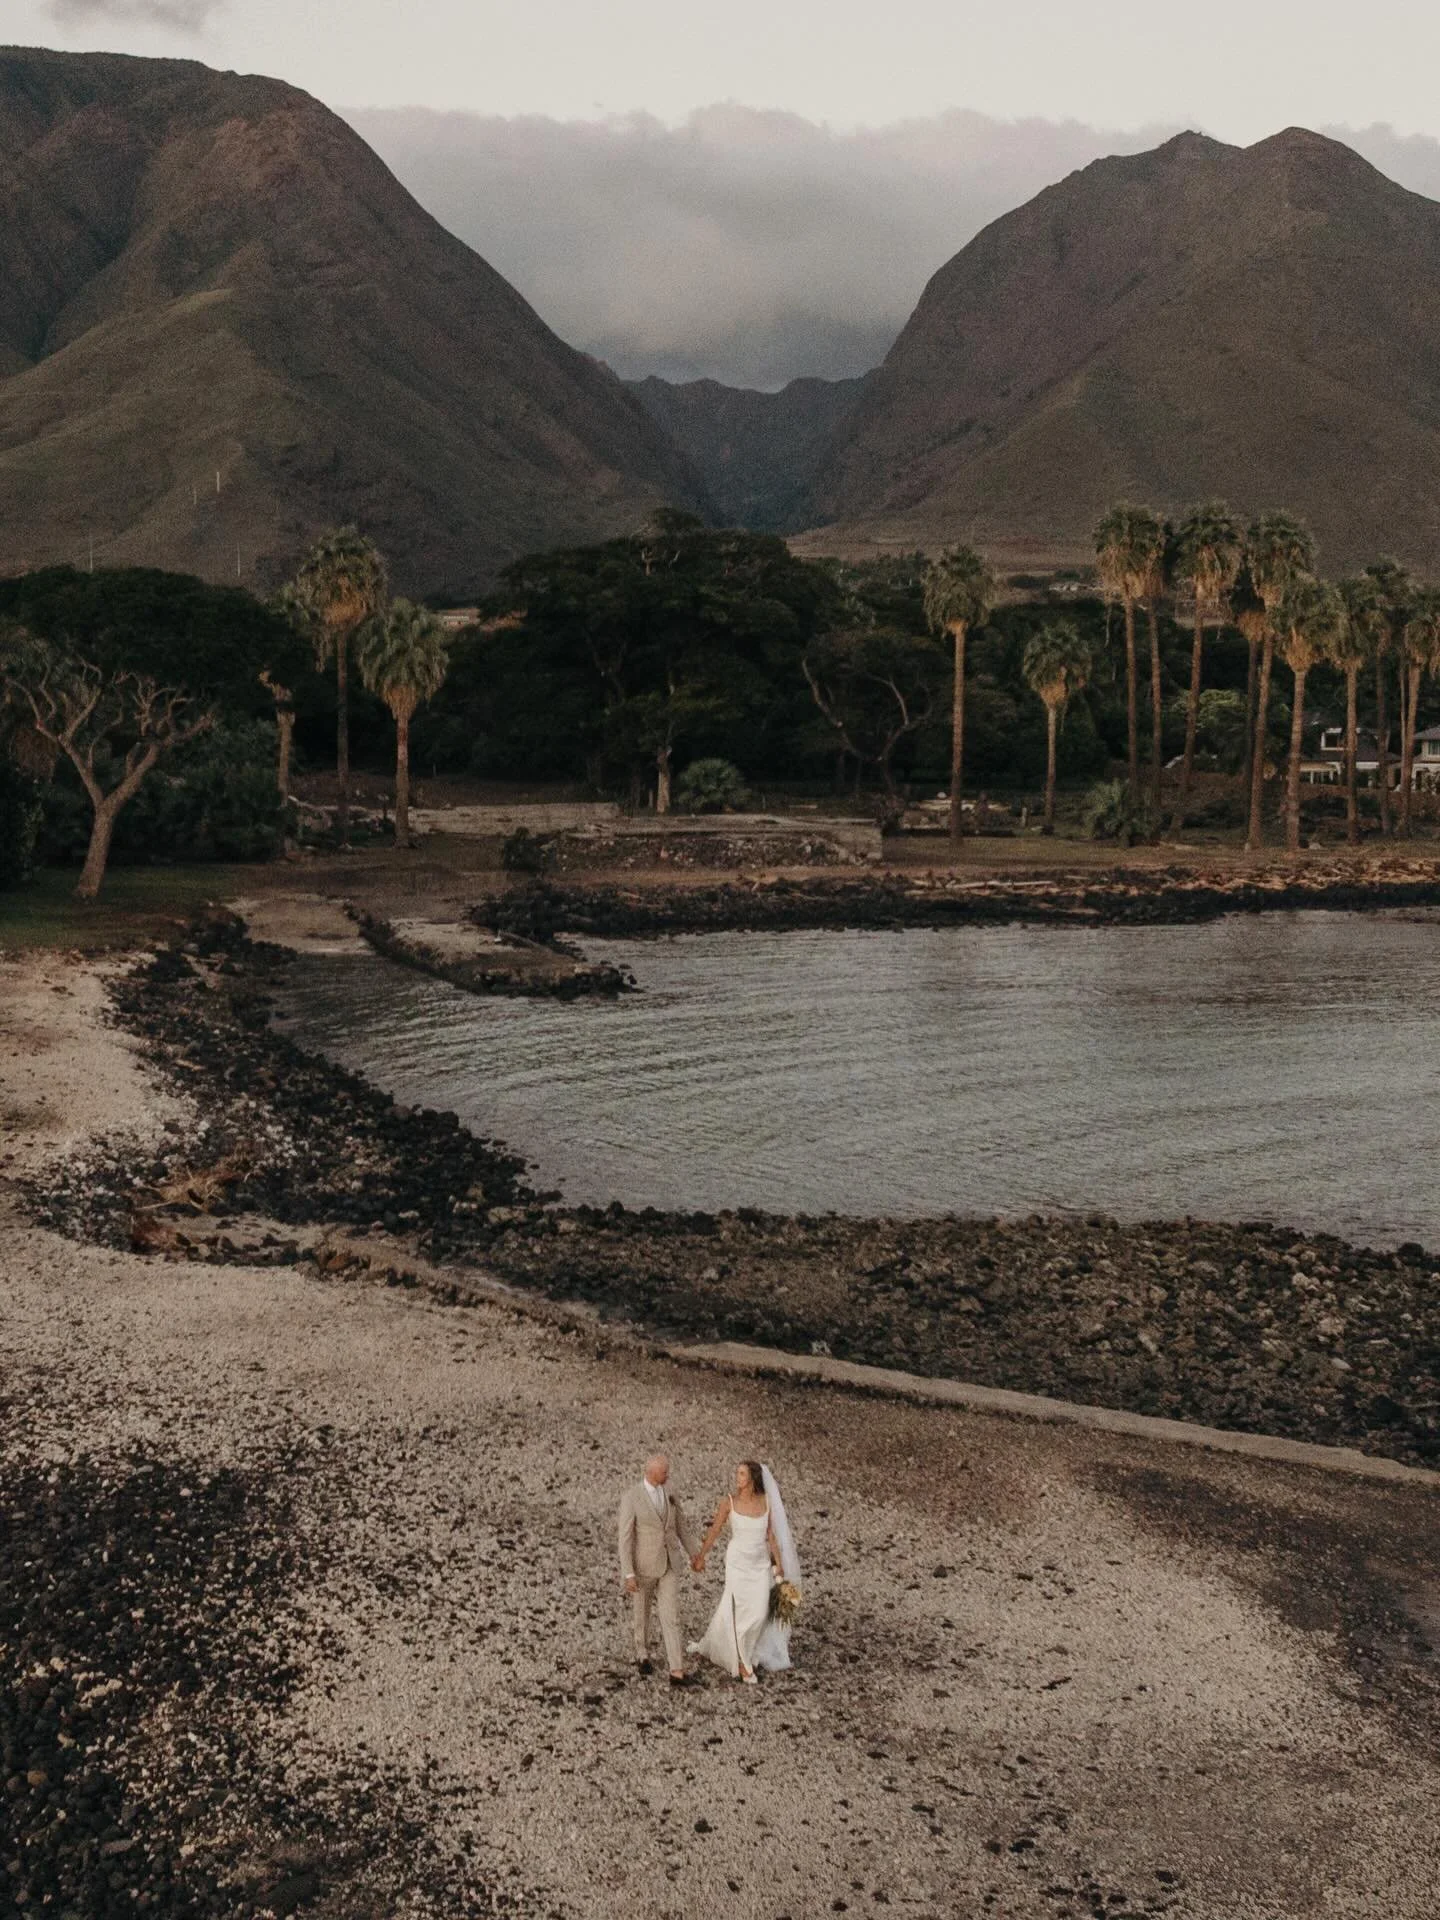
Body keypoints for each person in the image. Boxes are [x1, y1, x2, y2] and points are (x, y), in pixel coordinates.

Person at [689, 1460, 801, 1683]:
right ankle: (742, 1662)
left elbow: (770, 1536)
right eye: (737, 1474)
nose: (737, 1478)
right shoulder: (729, 1502)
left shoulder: (766, 1502)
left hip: (759, 1565)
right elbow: (715, 1530)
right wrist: (701, 1555)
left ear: (752, 1478)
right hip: (737, 1563)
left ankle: (737, 1649)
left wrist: (778, 1563)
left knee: (759, 1612)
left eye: (741, 1474)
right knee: (738, 1609)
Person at [617, 1454, 700, 1687]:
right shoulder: (631, 1498)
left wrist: (694, 1553)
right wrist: (628, 1572)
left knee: (671, 1615)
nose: (668, 1475)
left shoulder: (670, 1492)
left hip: (670, 1562)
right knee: (642, 1611)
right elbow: (625, 1537)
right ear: (652, 1473)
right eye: (664, 1472)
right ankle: (642, 1652)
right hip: (644, 1564)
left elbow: (680, 1525)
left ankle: (677, 1670)